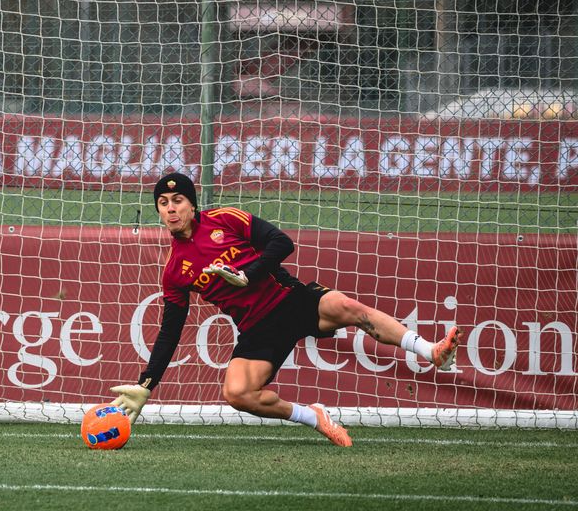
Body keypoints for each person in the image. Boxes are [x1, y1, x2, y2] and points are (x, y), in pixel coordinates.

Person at [110, 172, 462, 447]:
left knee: (348, 306)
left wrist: (247, 276)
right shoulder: (174, 271)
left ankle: (430, 351)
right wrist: (147, 385)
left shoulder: (225, 220)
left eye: (178, 200)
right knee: (237, 394)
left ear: (192, 204)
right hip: (258, 329)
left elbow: (282, 242)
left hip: (289, 300)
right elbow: (170, 331)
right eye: (163, 203)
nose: (171, 208)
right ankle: (312, 417)